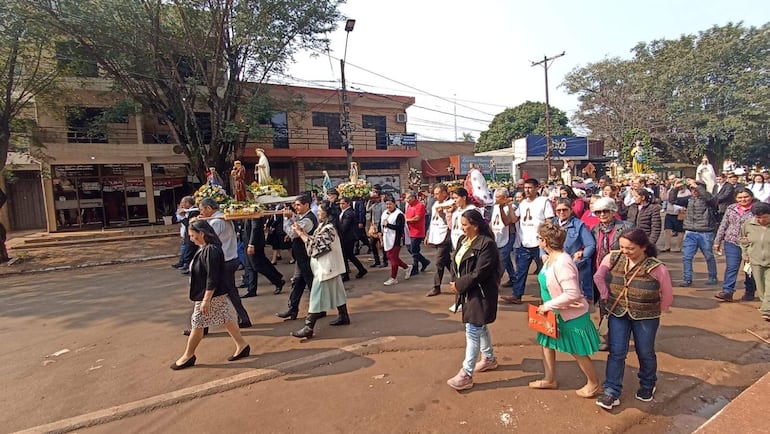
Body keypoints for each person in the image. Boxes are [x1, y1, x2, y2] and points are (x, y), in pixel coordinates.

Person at [594, 229, 674, 410]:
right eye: (622, 246)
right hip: (618, 313)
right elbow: (598, 276)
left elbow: (667, 294)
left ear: (643, 247)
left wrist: (654, 309)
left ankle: (647, 384)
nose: (625, 251)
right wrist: (605, 295)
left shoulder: (656, 267)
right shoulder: (613, 258)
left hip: (646, 316)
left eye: (630, 248)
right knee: (616, 351)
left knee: (645, 351)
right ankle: (611, 391)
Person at [530, 221, 601, 397]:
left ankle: (594, 383)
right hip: (552, 312)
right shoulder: (551, 258)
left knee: (577, 350)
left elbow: (572, 293)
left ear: (545, 241)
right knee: (546, 344)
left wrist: (547, 305)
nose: (538, 241)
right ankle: (550, 378)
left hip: (568, 315)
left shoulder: (562, 262)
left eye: (539, 238)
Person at [170, 219, 250, 370]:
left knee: (197, 324)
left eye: (193, 235)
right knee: (225, 317)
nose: (191, 239)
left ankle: (188, 355)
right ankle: (242, 344)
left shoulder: (211, 250)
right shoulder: (205, 247)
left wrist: (206, 299)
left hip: (209, 294)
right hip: (211, 293)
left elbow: (212, 277)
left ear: (202, 233)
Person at [446, 209, 500, 391]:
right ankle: (489, 358)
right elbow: (456, 261)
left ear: (475, 226)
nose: (462, 229)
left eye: (465, 225)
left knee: (472, 330)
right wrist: (455, 281)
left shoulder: (487, 245)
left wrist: (460, 284)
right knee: (480, 326)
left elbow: (480, 273)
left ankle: (466, 373)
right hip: (467, 291)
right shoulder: (463, 241)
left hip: (480, 293)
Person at [290, 201, 350, 338]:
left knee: (316, 296)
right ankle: (343, 315)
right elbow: (315, 240)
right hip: (327, 266)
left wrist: (301, 234)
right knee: (338, 291)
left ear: (327, 212)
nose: (317, 212)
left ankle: (308, 326)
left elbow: (316, 245)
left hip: (326, 267)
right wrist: (303, 232)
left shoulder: (329, 228)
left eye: (320, 210)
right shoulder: (325, 225)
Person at [197, 198, 252, 329]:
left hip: (223, 261)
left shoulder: (217, 221)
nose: (201, 212)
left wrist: (199, 225)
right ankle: (243, 318)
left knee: (208, 293)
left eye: (201, 209)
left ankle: (201, 327)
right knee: (230, 292)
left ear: (209, 208)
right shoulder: (222, 218)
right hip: (229, 259)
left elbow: (206, 240)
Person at [501, 178, 554, 305]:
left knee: (544, 273)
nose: (527, 190)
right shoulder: (523, 203)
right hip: (524, 243)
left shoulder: (543, 201)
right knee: (521, 272)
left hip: (540, 244)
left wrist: (546, 239)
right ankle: (517, 295)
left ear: (537, 188)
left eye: (530, 188)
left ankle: (546, 298)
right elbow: (513, 220)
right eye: (525, 188)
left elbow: (549, 221)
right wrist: (506, 206)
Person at [276, 195, 318, 320]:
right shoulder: (302, 218)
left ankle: (319, 309)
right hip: (301, 257)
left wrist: (286, 219)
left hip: (307, 257)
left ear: (306, 205)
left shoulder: (308, 220)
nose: (295, 207)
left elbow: (292, 232)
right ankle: (292, 309)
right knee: (297, 282)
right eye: (295, 205)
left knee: (312, 284)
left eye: (298, 205)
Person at [713, 188, 757, 302]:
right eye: (740, 197)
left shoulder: (757, 209)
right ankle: (727, 291)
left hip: (751, 244)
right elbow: (724, 224)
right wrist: (717, 241)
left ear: (751, 196)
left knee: (749, 269)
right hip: (732, 241)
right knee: (732, 267)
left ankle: (750, 292)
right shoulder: (731, 208)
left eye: (746, 197)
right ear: (736, 198)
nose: (743, 199)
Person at [551, 198, 596, 301]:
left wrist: (580, 259)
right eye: (559, 210)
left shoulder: (579, 225)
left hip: (576, 267)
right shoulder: (551, 225)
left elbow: (590, 245)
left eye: (565, 209)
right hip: (555, 264)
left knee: (577, 297)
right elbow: (542, 241)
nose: (562, 212)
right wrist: (543, 254)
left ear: (571, 210)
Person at [680, 179, 718, 287]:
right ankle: (687, 279)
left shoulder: (710, 199)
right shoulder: (689, 199)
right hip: (690, 231)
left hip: (705, 232)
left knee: (709, 256)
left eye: (695, 189)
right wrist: (676, 187)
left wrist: (696, 185)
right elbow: (673, 199)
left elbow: (708, 197)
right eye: (691, 189)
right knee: (687, 257)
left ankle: (712, 277)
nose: (693, 191)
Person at [241, 215, 285, 297]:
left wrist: (251, 244)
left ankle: (278, 280)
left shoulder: (254, 210)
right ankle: (252, 290)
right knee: (251, 266)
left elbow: (255, 227)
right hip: (248, 242)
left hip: (254, 243)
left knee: (257, 266)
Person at [740, 202, 770, 321]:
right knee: (761, 287)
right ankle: (766, 305)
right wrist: (745, 254)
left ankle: (767, 310)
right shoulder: (748, 224)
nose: (761, 220)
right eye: (758, 217)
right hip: (755, 261)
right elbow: (744, 241)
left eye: (765, 217)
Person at [426, 183, 453, 297]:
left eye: (437, 194)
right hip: (436, 235)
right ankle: (458, 277)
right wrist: (428, 235)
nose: (435, 196)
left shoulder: (451, 204)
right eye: (434, 194)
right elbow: (432, 221)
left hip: (445, 236)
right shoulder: (436, 203)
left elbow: (450, 222)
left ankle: (436, 287)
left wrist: (442, 214)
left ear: (444, 193)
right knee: (446, 261)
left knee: (438, 262)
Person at [381, 195, 410, 285]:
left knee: (393, 259)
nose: (388, 206)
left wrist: (388, 225)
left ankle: (393, 278)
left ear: (394, 204)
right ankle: (407, 267)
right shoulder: (385, 213)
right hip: (387, 238)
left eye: (390, 204)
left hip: (396, 239)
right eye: (387, 204)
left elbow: (400, 228)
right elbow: (381, 224)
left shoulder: (399, 214)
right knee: (391, 257)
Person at [491, 188, 517, 289]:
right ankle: (513, 278)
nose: (496, 200)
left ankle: (495, 283)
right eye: (496, 197)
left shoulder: (512, 207)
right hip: (497, 234)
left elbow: (507, 222)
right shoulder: (494, 207)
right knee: (506, 259)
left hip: (508, 235)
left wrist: (502, 208)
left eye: (499, 198)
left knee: (502, 260)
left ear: (505, 198)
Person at [338, 196, 367, 281]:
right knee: (348, 255)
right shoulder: (344, 212)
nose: (341, 205)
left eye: (343, 203)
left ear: (348, 203)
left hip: (348, 237)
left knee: (347, 255)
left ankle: (347, 274)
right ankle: (360, 270)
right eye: (340, 203)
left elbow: (344, 226)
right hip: (346, 237)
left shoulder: (349, 213)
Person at [405, 191, 431, 276]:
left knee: (414, 250)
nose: (406, 200)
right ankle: (424, 261)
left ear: (413, 197)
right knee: (411, 249)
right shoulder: (409, 206)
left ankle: (415, 268)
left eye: (408, 198)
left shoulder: (420, 206)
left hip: (417, 231)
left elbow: (417, 218)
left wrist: (406, 220)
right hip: (409, 230)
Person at [366, 187, 387, 268]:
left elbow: (383, 213)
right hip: (373, 226)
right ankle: (377, 260)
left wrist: (381, 200)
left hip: (380, 226)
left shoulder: (383, 205)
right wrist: (369, 200)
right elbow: (367, 209)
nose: (374, 199)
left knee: (382, 245)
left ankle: (385, 261)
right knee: (372, 244)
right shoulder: (374, 204)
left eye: (376, 197)